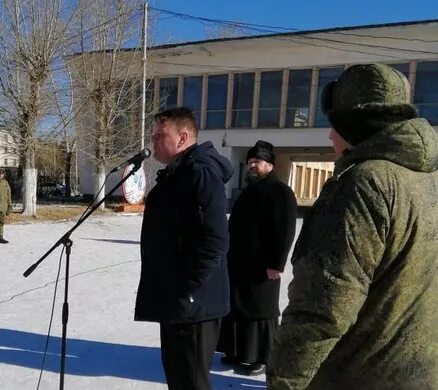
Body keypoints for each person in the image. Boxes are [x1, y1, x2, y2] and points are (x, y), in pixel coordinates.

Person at [267, 64, 437, 389]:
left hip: (359, 375)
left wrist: (285, 382)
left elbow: (323, 308)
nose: (330, 135)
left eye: (334, 125)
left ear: (353, 125)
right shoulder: (428, 178)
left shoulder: (364, 183)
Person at [134, 107, 233, 390]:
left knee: (191, 382)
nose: (153, 141)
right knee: (179, 379)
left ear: (182, 137)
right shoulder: (177, 174)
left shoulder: (199, 175)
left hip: (193, 304)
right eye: (153, 135)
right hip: (178, 300)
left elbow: (213, 241)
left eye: (160, 135)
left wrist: (188, 289)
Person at [217, 141, 297, 376]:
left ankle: (263, 357)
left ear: (270, 165)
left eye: (257, 162)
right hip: (238, 262)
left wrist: (276, 264)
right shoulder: (248, 191)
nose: (252, 166)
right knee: (237, 306)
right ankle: (236, 352)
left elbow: (285, 231)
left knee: (261, 310)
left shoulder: (280, 191)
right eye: (250, 162)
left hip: (264, 266)